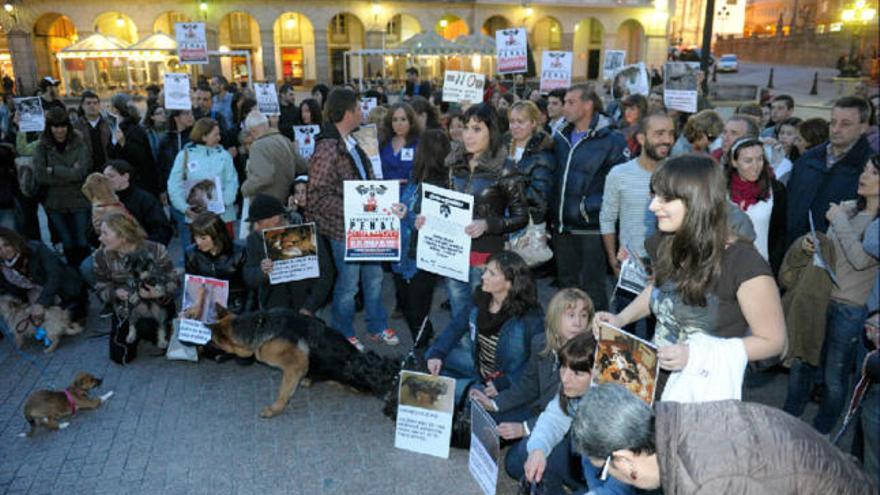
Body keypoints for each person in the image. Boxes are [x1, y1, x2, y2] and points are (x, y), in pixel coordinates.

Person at [595, 155, 786, 399]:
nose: (653, 206)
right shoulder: (664, 242)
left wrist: (696, 355)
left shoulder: (744, 264)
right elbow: (659, 292)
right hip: (649, 379)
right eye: (653, 195)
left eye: (665, 198)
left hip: (700, 392)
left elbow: (773, 341)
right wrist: (619, 320)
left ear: (698, 202)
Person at [572, 383, 876, 494]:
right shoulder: (680, 419)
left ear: (624, 459)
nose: (612, 478)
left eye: (605, 469)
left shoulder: (705, 483)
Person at [787, 156, 878, 435]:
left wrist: (839, 222)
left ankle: (822, 432)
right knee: (801, 363)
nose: (864, 175)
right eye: (864, 168)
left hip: (850, 308)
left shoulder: (866, 222)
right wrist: (811, 243)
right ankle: (788, 422)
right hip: (819, 296)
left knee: (834, 377)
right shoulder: (847, 209)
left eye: (874, 172)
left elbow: (861, 261)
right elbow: (830, 253)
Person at [306, 88, 398, 350]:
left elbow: (363, 181)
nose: (362, 112)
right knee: (348, 285)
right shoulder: (327, 148)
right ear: (347, 113)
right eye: (359, 108)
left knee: (375, 277)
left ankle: (376, 325)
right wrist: (355, 208)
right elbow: (318, 196)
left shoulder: (352, 141)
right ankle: (343, 331)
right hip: (344, 229)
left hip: (365, 225)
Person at [470, 289, 595, 482]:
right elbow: (529, 384)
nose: (578, 322)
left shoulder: (591, 356)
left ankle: (565, 472)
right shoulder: (541, 343)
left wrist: (524, 428)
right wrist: (495, 403)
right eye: (570, 315)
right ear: (555, 317)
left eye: (584, 316)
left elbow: (569, 415)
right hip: (544, 410)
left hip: (571, 427)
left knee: (513, 464)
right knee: (489, 417)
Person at [431, 103, 528, 323]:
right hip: (453, 255)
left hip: (486, 259)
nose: (468, 135)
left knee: (484, 319)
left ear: (491, 131)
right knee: (459, 317)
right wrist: (427, 220)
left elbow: (521, 216)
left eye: (477, 129)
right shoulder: (454, 164)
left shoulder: (506, 168)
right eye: (466, 128)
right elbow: (444, 204)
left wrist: (488, 225)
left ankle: (484, 357)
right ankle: (467, 357)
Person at [517, 334, 636, 495]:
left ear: (598, 377)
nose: (565, 378)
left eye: (577, 373)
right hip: (585, 468)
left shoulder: (622, 419)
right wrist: (538, 450)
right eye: (563, 367)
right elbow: (553, 420)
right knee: (526, 450)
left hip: (611, 485)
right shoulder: (571, 393)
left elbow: (619, 489)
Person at [426, 251, 544, 401]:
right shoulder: (481, 298)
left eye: (492, 274)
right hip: (479, 367)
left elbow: (539, 361)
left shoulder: (530, 317)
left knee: (443, 393)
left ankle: (469, 392)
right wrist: (438, 353)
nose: (483, 277)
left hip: (507, 379)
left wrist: (505, 382)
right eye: (486, 270)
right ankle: (468, 388)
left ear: (510, 283)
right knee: (431, 354)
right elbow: (456, 327)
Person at [552, 83, 629, 312]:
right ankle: (570, 341)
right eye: (564, 102)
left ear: (588, 105)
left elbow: (619, 184)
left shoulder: (612, 140)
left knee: (593, 292)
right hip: (563, 227)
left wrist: (588, 207)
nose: (565, 107)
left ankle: (598, 341)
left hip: (591, 229)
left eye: (570, 102)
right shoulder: (560, 136)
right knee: (567, 291)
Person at [601, 113, 674, 339]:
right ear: (641, 138)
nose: (667, 140)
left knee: (662, 335)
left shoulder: (679, 174)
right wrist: (613, 259)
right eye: (659, 133)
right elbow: (607, 217)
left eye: (671, 134)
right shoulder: (619, 174)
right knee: (626, 336)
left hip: (668, 269)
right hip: (629, 267)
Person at [786, 96, 873, 247]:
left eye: (845, 124)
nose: (836, 129)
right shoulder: (807, 159)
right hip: (794, 254)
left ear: (864, 127)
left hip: (838, 260)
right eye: (832, 122)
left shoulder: (870, 170)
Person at [390, 129, 450, 340]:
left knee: (417, 311)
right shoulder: (415, 177)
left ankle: (424, 351)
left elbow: (435, 223)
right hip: (402, 253)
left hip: (422, 258)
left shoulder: (443, 185)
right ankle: (425, 339)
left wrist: (409, 215)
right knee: (407, 307)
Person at [93, 212, 178, 359]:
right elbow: (101, 289)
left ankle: (164, 329)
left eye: (105, 233)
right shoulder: (100, 257)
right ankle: (138, 331)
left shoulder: (156, 250)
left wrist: (160, 292)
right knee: (120, 357)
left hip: (159, 304)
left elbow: (174, 281)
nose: (100, 238)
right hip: (126, 307)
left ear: (123, 236)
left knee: (147, 327)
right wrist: (115, 293)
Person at [243, 193, 333, 316]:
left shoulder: (305, 233)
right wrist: (262, 272)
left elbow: (326, 273)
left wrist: (310, 307)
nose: (255, 228)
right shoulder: (253, 240)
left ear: (276, 220)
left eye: (259, 222)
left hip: (308, 305)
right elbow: (249, 276)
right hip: (274, 310)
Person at [184, 212, 248, 364]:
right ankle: (220, 346)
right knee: (188, 338)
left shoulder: (239, 252)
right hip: (205, 303)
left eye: (203, 238)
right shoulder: (191, 253)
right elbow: (191, 285)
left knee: (244, 357)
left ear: (217, 235)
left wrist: (246, 315)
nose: (198, 242)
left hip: (234, 304)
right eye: (196, 237)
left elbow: (249, 288)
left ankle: (223, 346)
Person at [32, 107, 91, 268]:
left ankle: (86, 272)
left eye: (63, 126)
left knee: (82, 239)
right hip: (54, 202)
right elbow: (40, 175)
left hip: (78, 199)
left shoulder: (79, 143)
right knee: (67, 241)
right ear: (49, 128)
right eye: (56, 126)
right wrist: (70, 171)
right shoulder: (41, 147)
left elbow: (81, 173)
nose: (60, 130)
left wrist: (54, 170)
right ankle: (74, 273)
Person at [167, 117, 239, 246]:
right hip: (196, 218)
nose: (219, 138)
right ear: (204, 136)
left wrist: (224, 204)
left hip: (223, 217)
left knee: (226, 253)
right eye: (216, 134)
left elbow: (232, 182)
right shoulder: (184, 155)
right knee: (201, 254)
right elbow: (174, 184)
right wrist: (184, 208)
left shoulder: (224, 155)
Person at [725, 138, 787, 274]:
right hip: (725, 268)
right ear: (734, 162)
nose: (755, 166)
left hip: (761, 267)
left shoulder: (776, 190)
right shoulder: (721, 190)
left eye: (759, 159)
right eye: (748, 161)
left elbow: (780, 234)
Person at [0, 227, 88, 323]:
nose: (4, 251)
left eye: (7, 245)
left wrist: (41, 303)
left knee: (67, 320)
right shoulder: (3, 267)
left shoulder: (36, 249)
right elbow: (16, 292)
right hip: (37, 291)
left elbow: (55, 275)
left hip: (65, 290)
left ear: (14, 241)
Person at [503, 100, 555, 226]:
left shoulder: (543, 154)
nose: (515, 126)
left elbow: (539, 199)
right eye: (512, 121)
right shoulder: (503, 147)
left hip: (528, 225)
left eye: (520, 121)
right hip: (503, 222)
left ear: (533, 123)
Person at [240, 111, 307, 204]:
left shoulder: (257, 146)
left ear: (252, 131)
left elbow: (263, 177)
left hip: (267, 204)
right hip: (286, 200)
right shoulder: (285, 140)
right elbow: (302, 166)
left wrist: (245, 188)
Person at [102, 160, 172, 246]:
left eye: (111, 176)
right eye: (104, 177)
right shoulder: (102, 200)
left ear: (125, 176)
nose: (106, 180)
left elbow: (162, 230)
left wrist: (143, 249)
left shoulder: (145, 199)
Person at [107, 94, 162, 197]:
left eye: (109, 107)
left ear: (115, 110)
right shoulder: (115, 128)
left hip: (138, 185)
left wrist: (124, 144)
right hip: (123, 183)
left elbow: (141, 157)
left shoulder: (133, 129)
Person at [379, 102, 420, 182]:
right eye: (395, 120)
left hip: (409, 192)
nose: (399, 124)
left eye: (403, 119)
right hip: (386, 191)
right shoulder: (383, 142)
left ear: (411, 122)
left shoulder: (419, 144)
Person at [157, 109, 194, 196]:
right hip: (173, 188)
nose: (191, 116)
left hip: (194, 187)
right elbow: (161, 167)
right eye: (186, 113)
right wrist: (162, 190)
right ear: (176, 118)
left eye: (191, 113)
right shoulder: (166, 139)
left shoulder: (195, 138)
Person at [73, 90, 111, 173]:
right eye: (88, 103)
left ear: (99, 105)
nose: (92, 106)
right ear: (82, 106)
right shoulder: (76, 126)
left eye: (95, 103)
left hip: (107, 167)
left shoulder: (108, 123)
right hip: (86, 168)